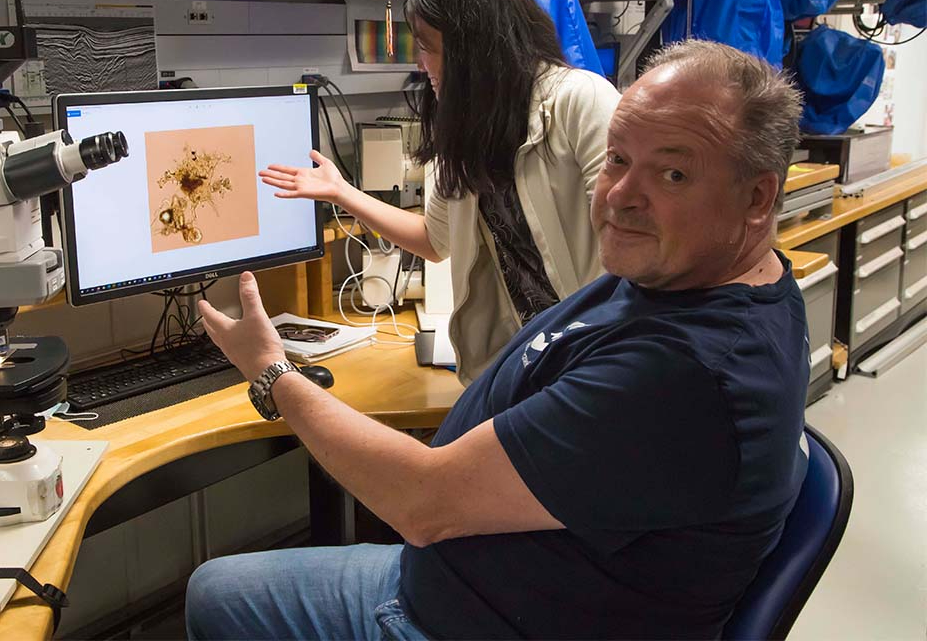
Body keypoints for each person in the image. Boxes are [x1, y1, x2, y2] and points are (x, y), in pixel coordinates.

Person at [187, 40, 810, 640]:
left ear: (757, 198)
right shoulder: (694, 277)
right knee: (221, 588)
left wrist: (273, 373)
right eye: (617, 159)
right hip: (471, 577)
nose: (620, 198)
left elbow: (422, 503)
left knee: (217, 594)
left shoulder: (684, 374)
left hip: (474, 618)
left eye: (673, 173)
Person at [260, 0, 620, 384]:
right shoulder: (468, 126)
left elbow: (629, 241)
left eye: (427, 46)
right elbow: (434, 241)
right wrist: (342, 192)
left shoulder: (580, 100)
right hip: (525, 363)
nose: (421, 63)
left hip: (595, 357)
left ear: (472, 46)